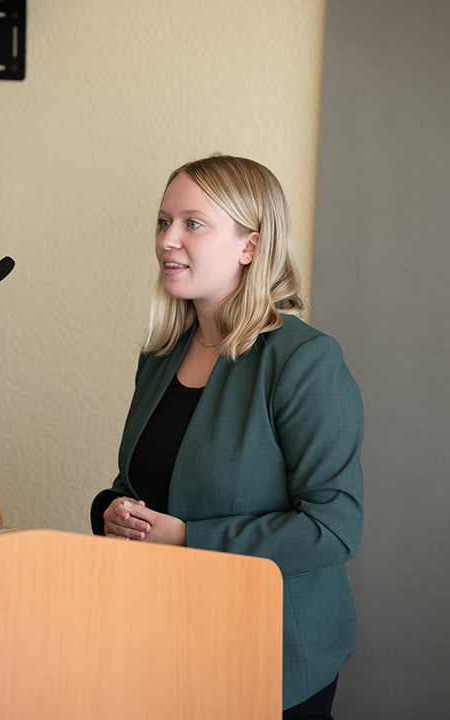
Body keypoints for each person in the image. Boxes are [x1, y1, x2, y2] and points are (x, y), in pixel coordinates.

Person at [91, 154, 364, 718]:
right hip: (162, 644)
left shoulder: (305, 360)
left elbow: (332, 528)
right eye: (163, 222)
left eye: (193, 223)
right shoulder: (160, 356)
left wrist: (189, 539)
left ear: (250, 246)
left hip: (267, 659)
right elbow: (140, 483)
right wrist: (110, 511)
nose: (168, 240)